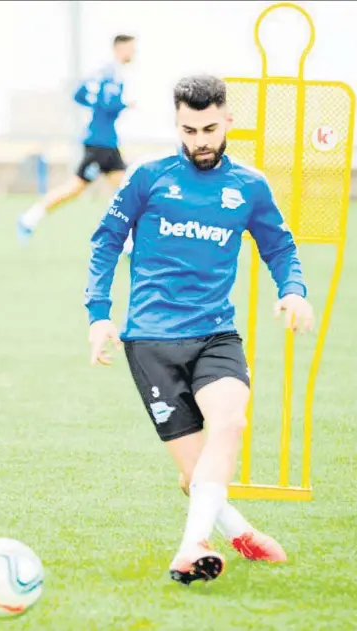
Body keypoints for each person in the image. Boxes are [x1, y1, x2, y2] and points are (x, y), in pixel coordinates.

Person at [85, 75, 314, 585]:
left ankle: (192, 546)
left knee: (229, 425)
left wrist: (292, 289)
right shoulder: (148, 178)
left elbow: (280, 247)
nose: (200, 141)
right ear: (177, 124)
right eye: (189, 130)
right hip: (150, 343)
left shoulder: (249, 186)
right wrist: (99, 315)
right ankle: (241, 532)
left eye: (210, 128)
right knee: (196, 477)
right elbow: (105, 243)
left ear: (228, 119)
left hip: (216, 335)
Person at [17, 34, 136, 255]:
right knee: (76, 188)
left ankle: (128, 245)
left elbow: (80, 94)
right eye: (131, 48)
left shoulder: (106, 72)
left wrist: (97, 104)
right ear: (120, 49)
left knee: (125, 190)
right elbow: (108, 103)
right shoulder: (112, 74)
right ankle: (29, 218)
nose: (134, 53)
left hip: (107, 142)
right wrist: (124, 104)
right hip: (100, 144)